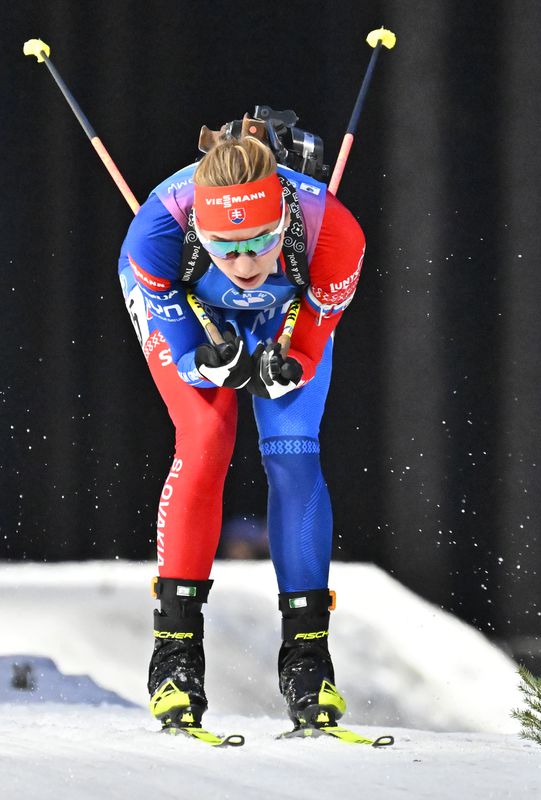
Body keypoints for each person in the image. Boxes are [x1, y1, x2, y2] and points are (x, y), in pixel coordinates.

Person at [117, 110, 365, 736]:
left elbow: (312, 335)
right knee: (205, 440)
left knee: (291, 451)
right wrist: (207, 365)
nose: (246, 261)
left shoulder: (333, 232)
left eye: (259, 239)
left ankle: (309, 663)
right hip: (195, 312)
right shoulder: (156, 232)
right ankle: (174, 661)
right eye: (226, 245)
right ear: (199, 226)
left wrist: (297, 361)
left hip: (288, 312)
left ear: (284, 216)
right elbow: (181, 350)